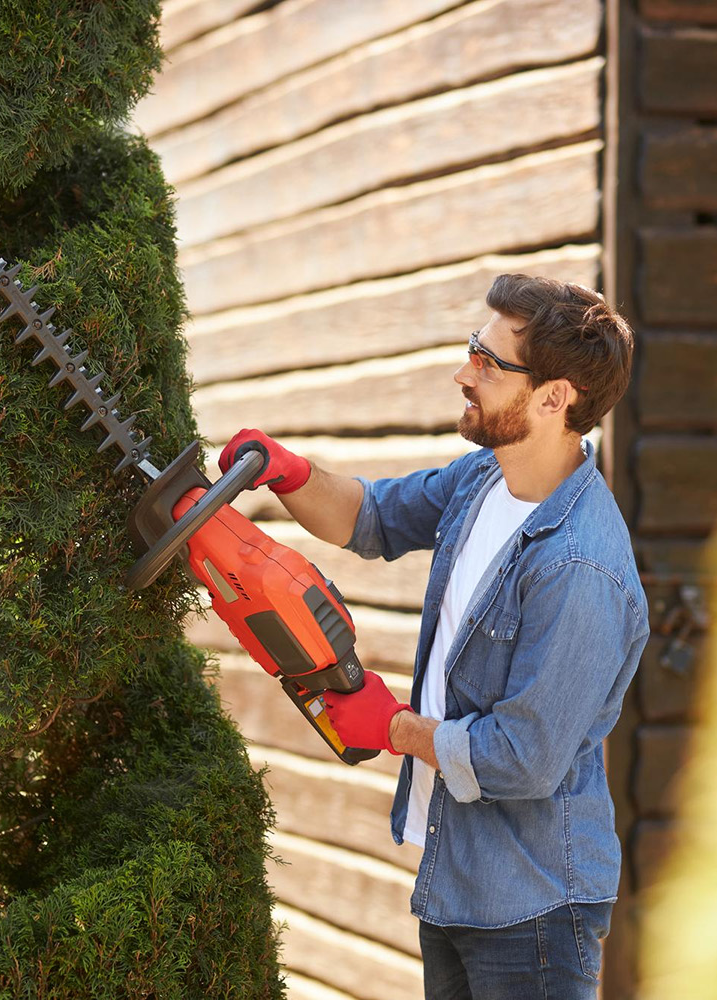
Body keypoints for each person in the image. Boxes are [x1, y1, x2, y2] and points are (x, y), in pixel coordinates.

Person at [219, 274, 648, 1000]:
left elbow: (523, 758)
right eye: (471, 350)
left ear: (554, 398)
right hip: (459, 878)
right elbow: (369, 517)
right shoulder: (485, 479)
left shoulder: (579, 566)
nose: (463, 373)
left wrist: (395, 728)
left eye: (487, 362)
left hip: (533, 907)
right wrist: (288, 473)